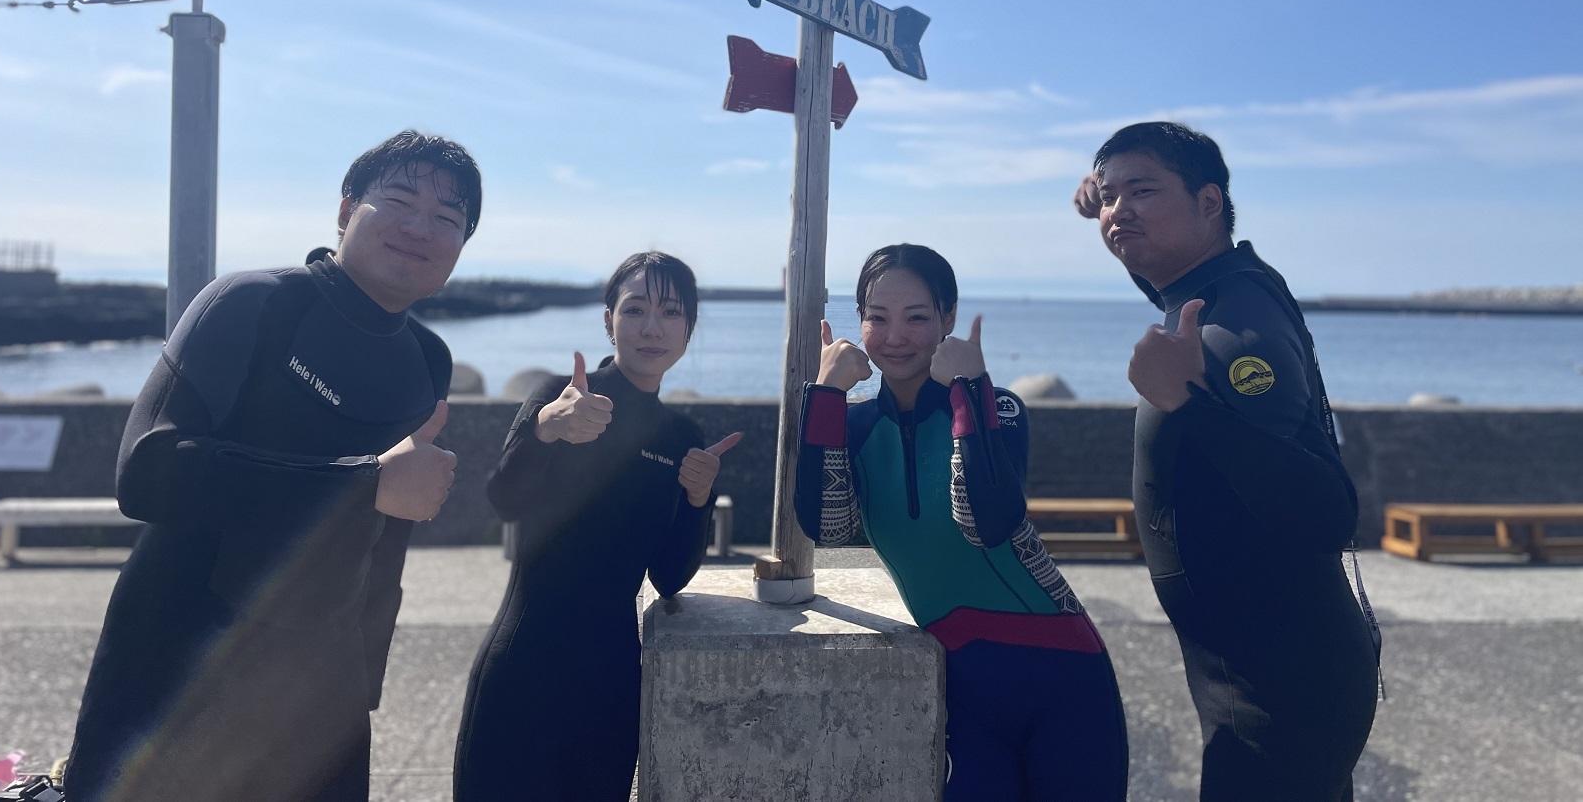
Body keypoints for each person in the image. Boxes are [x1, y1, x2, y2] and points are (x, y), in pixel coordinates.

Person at [64, 130, 478, 802]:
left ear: (461, 246)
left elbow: (385, 539)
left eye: (446, 217)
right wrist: (362, 484)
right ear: (346, 211)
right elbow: (148, 469)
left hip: (322, 689)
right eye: (399, 200)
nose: (418, 227)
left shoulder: (428, 359)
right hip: (179, 664)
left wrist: (363, 684)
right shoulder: (254, 303)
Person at [1081, 121, 1379, 802]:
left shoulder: (1234, 330)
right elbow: (1157, 266)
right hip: (1261, 674)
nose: (1118, 211)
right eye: (1108, 197)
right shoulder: (1215, 289)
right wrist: (1121, 210)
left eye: (1142, 191)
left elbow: (1326, 514)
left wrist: (1187, 404)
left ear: (1209, 201)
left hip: (1281, 689)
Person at [793, 244, 1128, 802]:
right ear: (859, 323)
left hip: (1063, 679)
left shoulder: (999, 409)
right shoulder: (854, 426)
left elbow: (986, 522)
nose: (894, 336)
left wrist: (970, 393)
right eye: (877, 318)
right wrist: (826, 395)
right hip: (962, 692)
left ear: (948, 318)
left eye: (916, 317)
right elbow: (826, 527)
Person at [453, 252, 739, 802]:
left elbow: (669, 576)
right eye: (634, 309)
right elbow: (504, 499)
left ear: (689, 329)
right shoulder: (561, 398)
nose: (651, 327)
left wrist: (698, 500)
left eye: (670, 312)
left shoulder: (681, 435)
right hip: (524, 668)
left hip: (610, 682)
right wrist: (544, 430)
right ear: (609, 320)